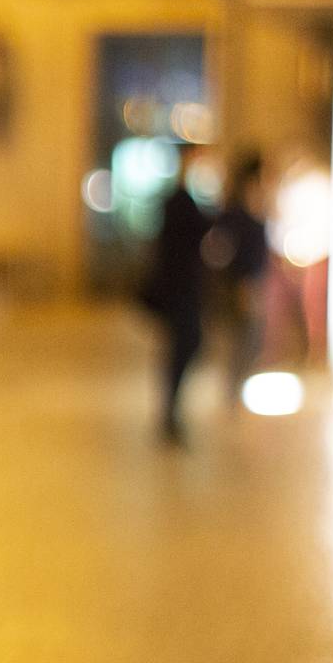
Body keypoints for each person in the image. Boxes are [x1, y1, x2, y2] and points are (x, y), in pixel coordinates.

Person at [142, 147, 211, 445]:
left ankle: (170, 411)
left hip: (182, 287)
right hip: (179, 288)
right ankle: (170, 412)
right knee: (184, 346)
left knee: (183, 347)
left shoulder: (181, 199)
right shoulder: (178, 200)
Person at [206, 151, 269, 402]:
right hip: (240, 285)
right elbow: (222, 250)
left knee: (252, 340)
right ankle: (233, 394)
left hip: (253, 283)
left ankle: (236, 392)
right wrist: (241, 282)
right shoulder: (235, 213)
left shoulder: (255, 208)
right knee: (241, 340)